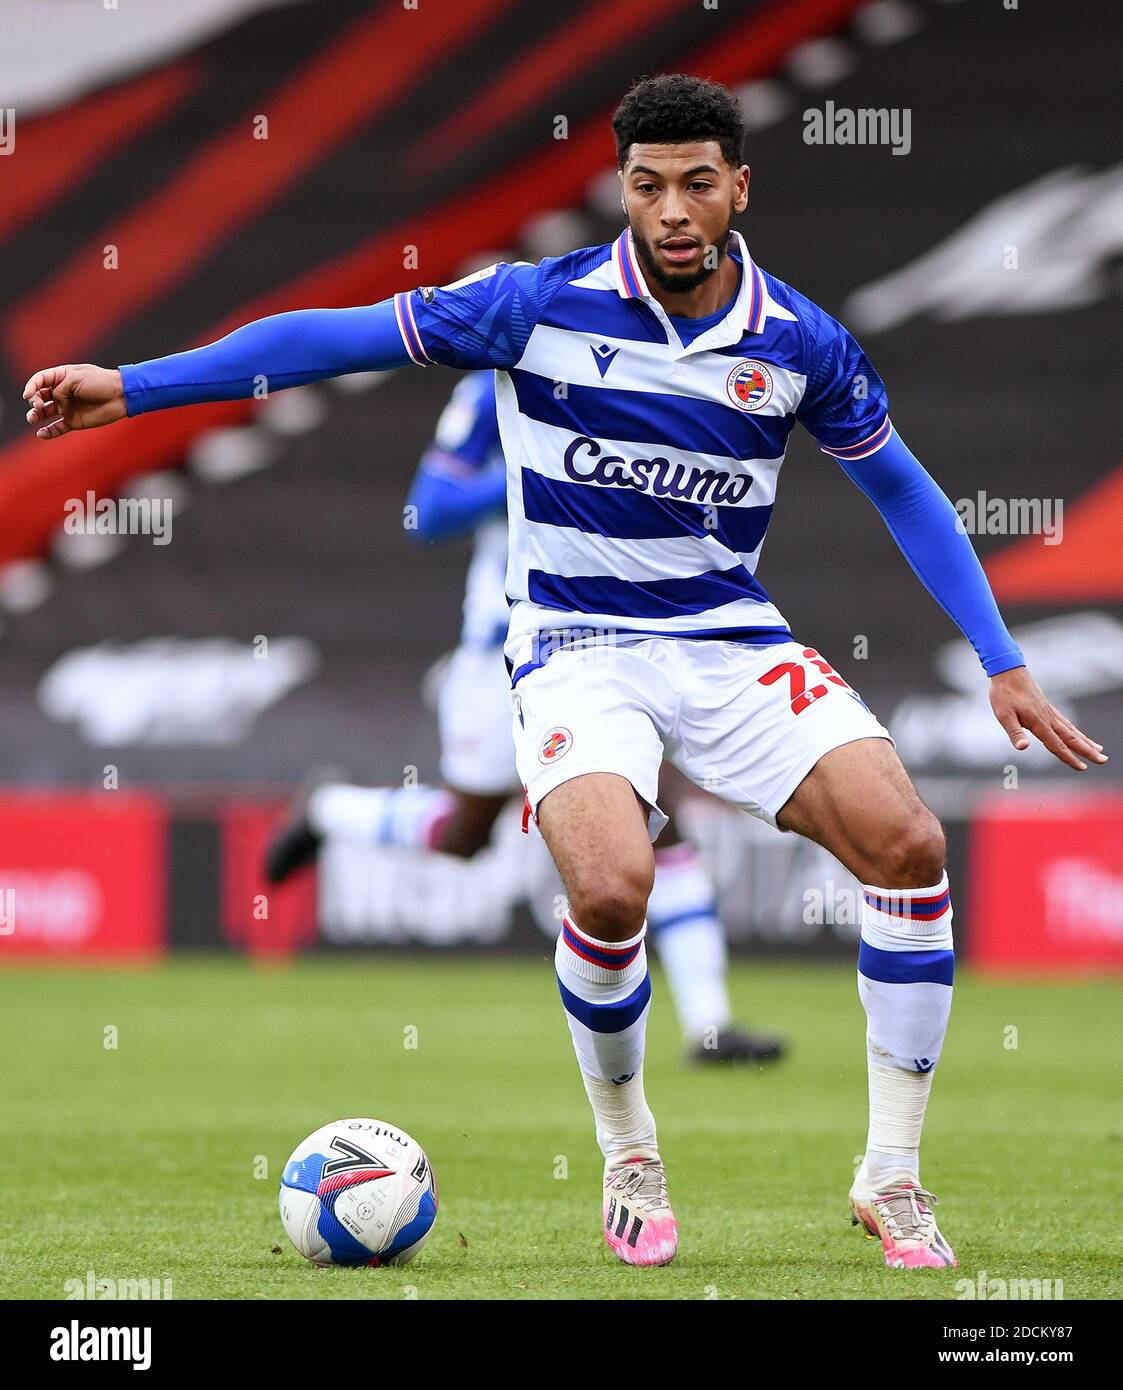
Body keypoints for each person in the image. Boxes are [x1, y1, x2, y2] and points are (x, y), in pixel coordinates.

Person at [24, 74, 1106, 1272]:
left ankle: (891, 1175)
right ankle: (629, 1147)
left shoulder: (798, 340)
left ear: (738, 187)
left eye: (698, 183)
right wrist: (135, 386)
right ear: (623, 192)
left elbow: (899, 484)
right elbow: (331, 338)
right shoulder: (536, 305)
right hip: (576, 649)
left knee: (910, 848)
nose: (675, 209)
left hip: (731, 642)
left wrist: (1000, 658)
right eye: (649, 186)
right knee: (609, 887)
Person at [265, 368, 785, 1064]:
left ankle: (708, 1027)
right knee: (463, 834)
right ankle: (328, 810)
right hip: (502, 651)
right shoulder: (494, 389)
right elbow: (431, 510)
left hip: (607, 644)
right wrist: (542, 463)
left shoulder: (645, 379)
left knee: (658, 822)